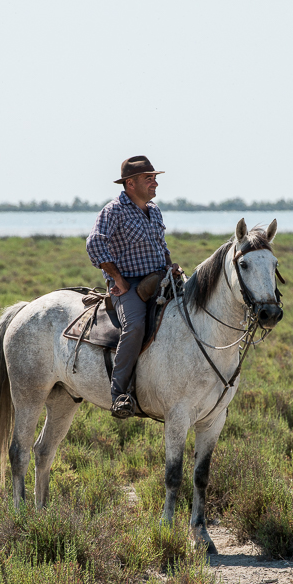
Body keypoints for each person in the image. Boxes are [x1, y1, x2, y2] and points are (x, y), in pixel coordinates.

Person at [86, 155, 183, 418]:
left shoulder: (155, 210)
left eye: (155, 178)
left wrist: (171, 266)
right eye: (148, 179)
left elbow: (162, 247)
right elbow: (95, 243)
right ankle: (119, 394)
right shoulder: (113, 210)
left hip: (161, 279)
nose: (155, 184)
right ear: (130, 183)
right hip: (130, 288)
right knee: (136, 326)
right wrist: (118, 279)